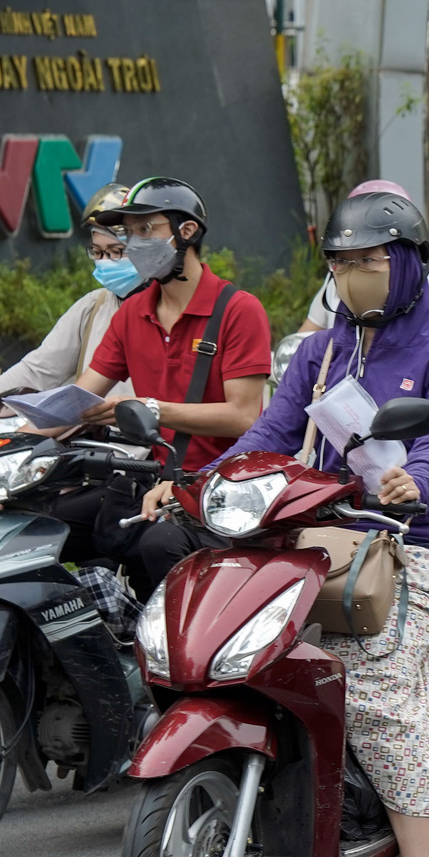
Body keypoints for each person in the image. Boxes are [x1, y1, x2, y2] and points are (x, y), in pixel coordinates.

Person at [142, 192, 429, 857]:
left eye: (370, 262)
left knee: (383, 678)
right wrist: (195, 483)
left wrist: (414, 477)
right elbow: (266, 434)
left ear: (410, 266)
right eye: (342, 263)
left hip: (412, 544)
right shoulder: (319, 355)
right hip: (316, 540)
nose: (354, 276)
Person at [60, 178, 272, 598]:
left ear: (186, 232)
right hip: (153, 478)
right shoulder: (133, 312)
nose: (135, 244)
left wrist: (150, 408)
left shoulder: (238, 310)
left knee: (159, 544)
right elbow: (80, 400)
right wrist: (1, 438)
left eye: (146, 229)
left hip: (220, 487)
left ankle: (175, 656)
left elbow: (243, 417)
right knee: (44, 523)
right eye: (129, 232)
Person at [0, 184, 137, 447]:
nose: (105, 262)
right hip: (92, 454)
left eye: (116, 252)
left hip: (154, 459)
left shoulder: (172, 311)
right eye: (98, 253)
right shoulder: (94, 307)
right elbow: (40, 370)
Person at [299, 180, 429, 339]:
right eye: (341, 260)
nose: (352, 273)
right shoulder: (336, 276)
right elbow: (305, 335)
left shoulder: (418, 279)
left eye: (367, 259)